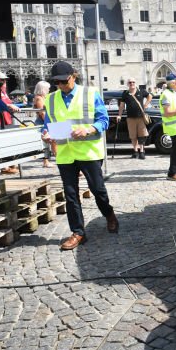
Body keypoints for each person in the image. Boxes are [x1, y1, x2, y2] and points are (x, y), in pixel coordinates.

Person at [41, 61, 118, 251]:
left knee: (97, 190)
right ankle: (78, 232)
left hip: (89, 152)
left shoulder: (91, 94)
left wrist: (89, 129)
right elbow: (49, 124)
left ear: (73, 76)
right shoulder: (50, 99)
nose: (60, 86)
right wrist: (46, 133)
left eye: (63, 82)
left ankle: (109, 214)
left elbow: (104, 121)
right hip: (66, 154)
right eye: (56, 83)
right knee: (71, 194)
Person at [0, 72, 21, 174]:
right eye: (2, 80)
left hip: (6, 119)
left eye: (5, 80)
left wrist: (11, 105)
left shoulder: (3, 90)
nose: (4, 82)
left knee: (7, 142)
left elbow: (8, 101)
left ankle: (9, 164)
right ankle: (4, 167)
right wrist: (9, 105)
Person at [117, 78, 152, 159]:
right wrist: (119, 115)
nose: (132, 83)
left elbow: (150, 96)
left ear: (135, 83)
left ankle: (142, 151)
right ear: (127, 84)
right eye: (130, 82)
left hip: (140, 117)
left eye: (133, 82)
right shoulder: (125, 93)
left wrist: (146, 105)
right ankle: (135, 151)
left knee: (142, 135)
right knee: (133, 136)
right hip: (130, 117)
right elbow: (122, 105)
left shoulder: (141, 91)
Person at [33, 81, 52, 168]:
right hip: (42, 121)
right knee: (46, 141)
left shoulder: (44, 97)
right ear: (43, 89)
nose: (49, 90)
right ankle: (46, 161)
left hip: (45, 121)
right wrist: (48, 123)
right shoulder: (39, 98)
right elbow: (42, 113)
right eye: (47, 88)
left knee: (48, 141)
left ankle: (46, 160)